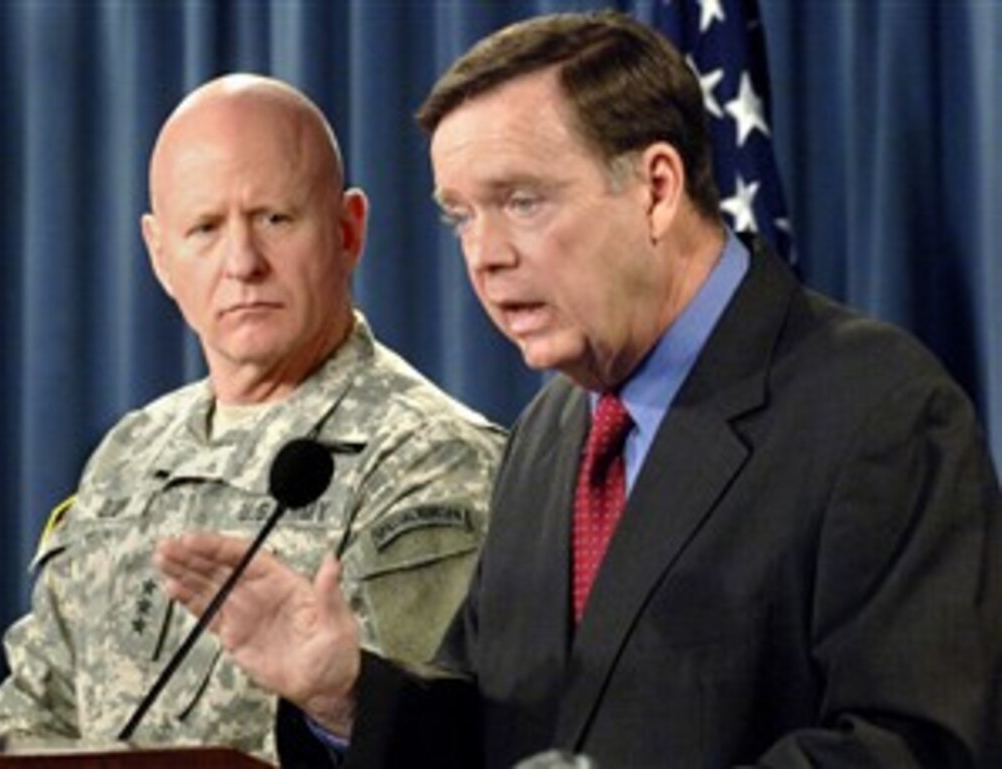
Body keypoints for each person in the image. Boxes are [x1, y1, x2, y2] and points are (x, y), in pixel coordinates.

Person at [154, 12, 1002, 769]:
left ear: (657, 188)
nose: (483, 255)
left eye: (521, 201)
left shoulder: (877, 410)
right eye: (460, 215)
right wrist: (342, 690)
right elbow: (501, 730)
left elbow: (916, 743)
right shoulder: (553, 431)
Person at [0, 74, 505, 763]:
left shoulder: (435, 457)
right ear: (161, 256)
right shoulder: (128, 453)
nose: (243, 263)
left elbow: (418, 744)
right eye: (205, 228)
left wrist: (334, 699)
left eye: (274, 218)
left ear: (348, 230)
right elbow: (32, 711)